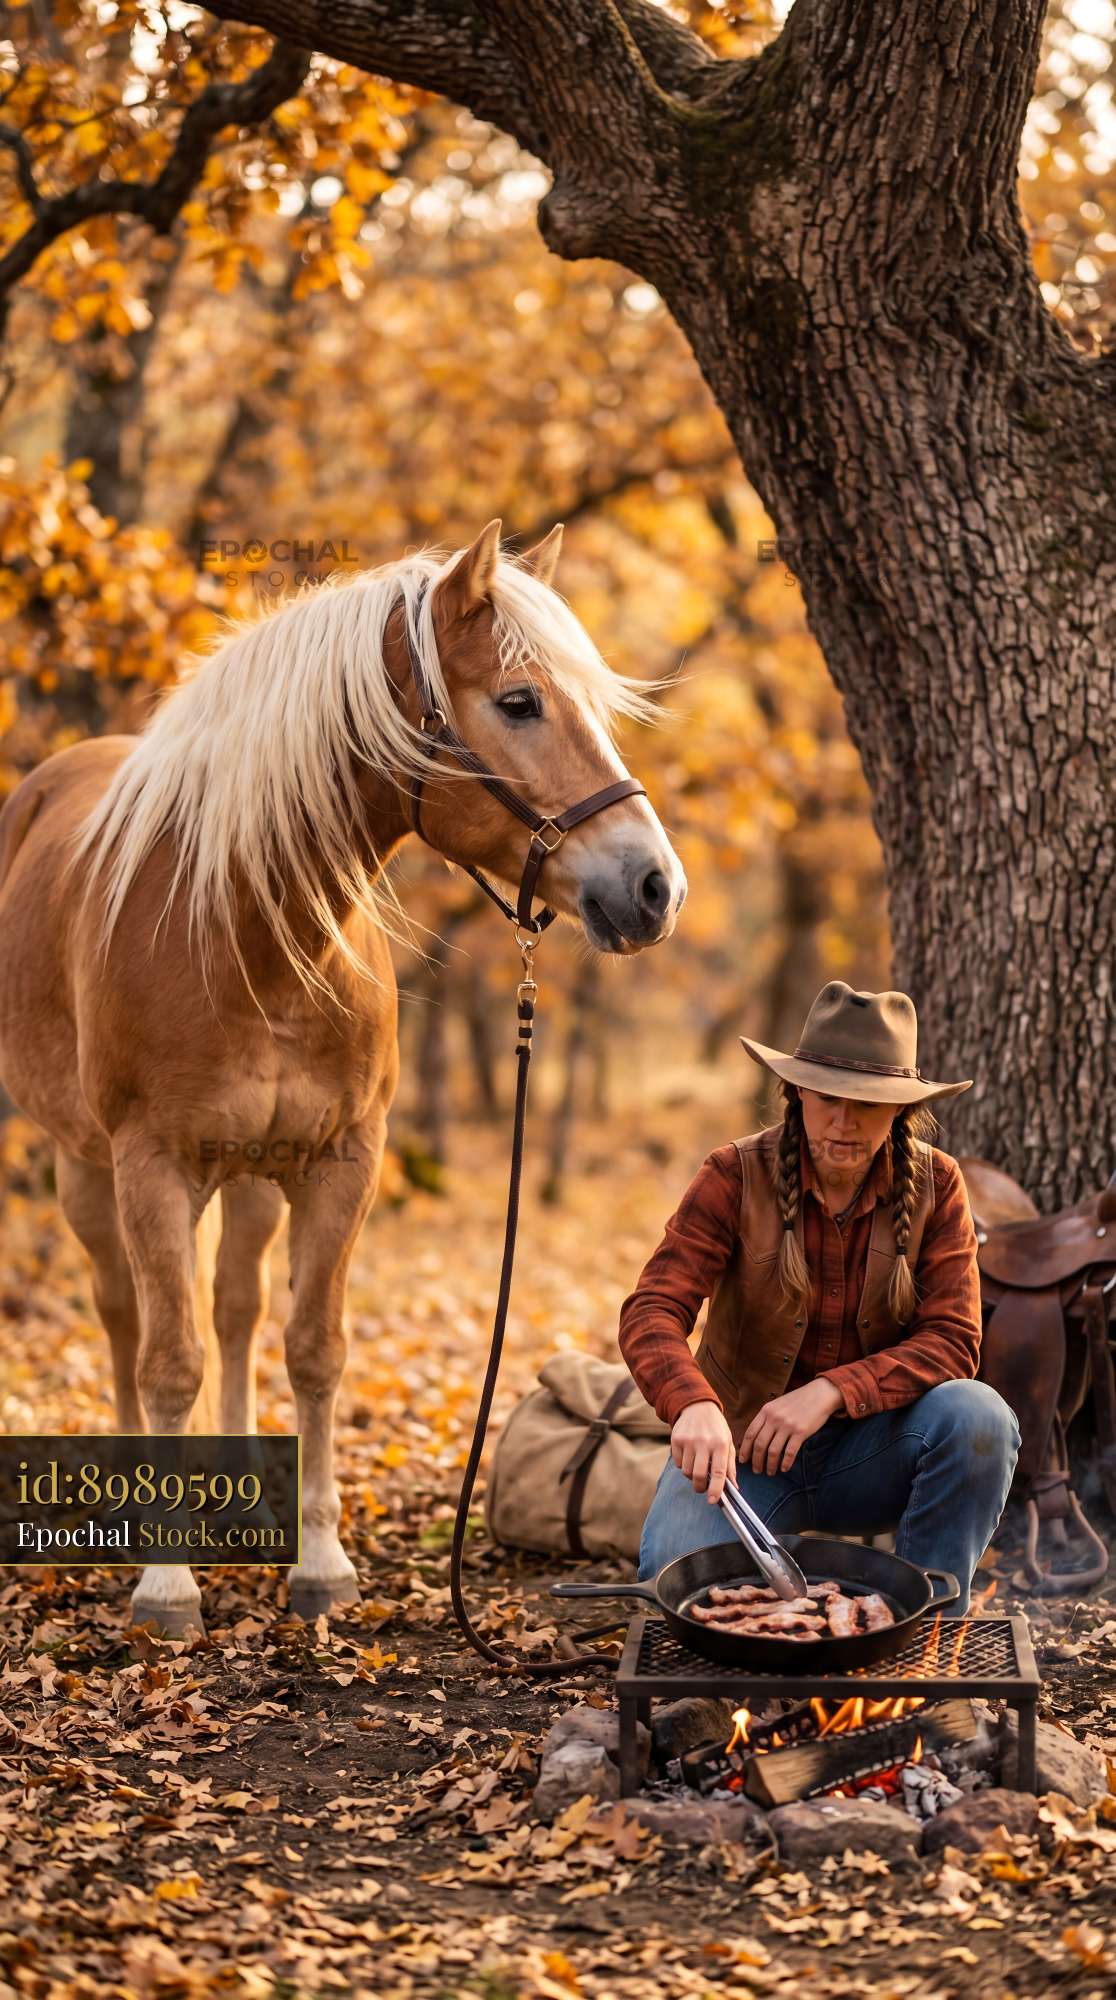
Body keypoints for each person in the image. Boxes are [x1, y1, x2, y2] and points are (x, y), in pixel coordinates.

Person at [618, 982, 1019, 1614]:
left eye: (868, 1104)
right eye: (828, 1097)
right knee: (674, 1581)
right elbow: (652, 1310)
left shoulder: (939, 1186)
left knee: (979, 1417)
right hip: (742, 1459)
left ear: (901, 1111)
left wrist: (831, 1392)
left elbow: (954, 1339)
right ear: (796, 1090)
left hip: (875, 1453)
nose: (844, 1121)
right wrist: (693, 1404)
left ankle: (922, 1632)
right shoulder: (732, 1175)